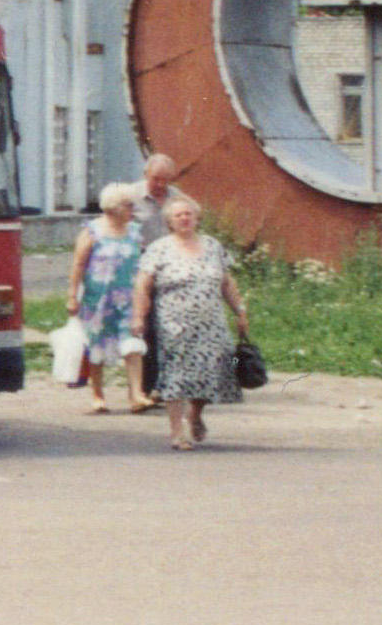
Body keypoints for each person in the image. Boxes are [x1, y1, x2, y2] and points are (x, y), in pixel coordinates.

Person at [133, 194, 247, 451]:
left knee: (217, 368)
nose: (184, 218)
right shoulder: (159, 248)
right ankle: (177, 433)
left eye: (188, 214)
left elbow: (227, 282)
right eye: (178, 215)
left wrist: (240, 310)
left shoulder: (213, 246)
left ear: (196, 218)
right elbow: (142, 283)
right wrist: (139, 315)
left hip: (212, 323)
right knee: (176, 374)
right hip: (174, 324)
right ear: (169, 222)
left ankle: (195, 414)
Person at [65, 183, 147, 413]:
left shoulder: (134, 232)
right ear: (113, 208)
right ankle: (98, 396)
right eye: (128, 205)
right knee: (96, 347)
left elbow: (142, 265)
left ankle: (136, 395)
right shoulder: (92, 231)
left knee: (133, 345)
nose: (133, 209)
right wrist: (72, 295)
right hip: (97, 299)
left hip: (129, 298)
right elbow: (78, 264)